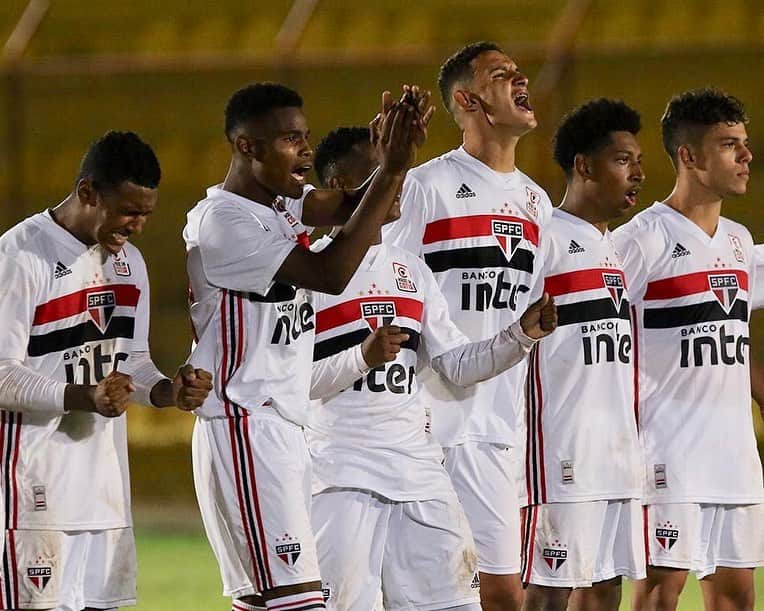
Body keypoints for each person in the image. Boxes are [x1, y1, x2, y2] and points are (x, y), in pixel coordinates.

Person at [184, 83, 430, 611]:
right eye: (291, 139)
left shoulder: (279, 209)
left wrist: (395, 162)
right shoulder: (223, 222)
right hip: (244, 423)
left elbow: (359, 206)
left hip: (282, 425)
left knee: (270, 602)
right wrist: (387, 171)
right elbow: (330, 271)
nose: (306, 151)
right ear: (247, 147)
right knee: (300, 602)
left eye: (308, 138)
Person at [306, 126, 556, 611]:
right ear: (339, 185)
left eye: (397, 172)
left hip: (417, 469)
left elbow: (457, 365)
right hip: (341, 471)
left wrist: (520, 335)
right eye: (382, 174)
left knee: (455, 603)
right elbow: (294, 384)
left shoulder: (410, 270)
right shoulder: (308, 272)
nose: (397, 184)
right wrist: (362, 357)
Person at [0, 130, 212, 611]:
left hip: (105, 493)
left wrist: (164, 391)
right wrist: (84, 396)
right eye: (128, 211)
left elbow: (130, 359)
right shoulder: (20, 257)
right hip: (36, 493)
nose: (136, 225)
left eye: (145, 214)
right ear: (87, 192)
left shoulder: (129, 264)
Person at [382, 41, 553, 611]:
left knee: (505, 591)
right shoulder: (427, 187)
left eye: (518, 70)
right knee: (440, 594)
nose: (519, 78)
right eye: (501, 74)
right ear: (467, 99)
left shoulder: (535, 202)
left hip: (501, 422)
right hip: (434, 423)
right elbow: (390, 289)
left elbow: (533, 316)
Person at [614, 89, 763, 611]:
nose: (746, 156)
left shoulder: (740, 243)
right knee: (659, 594)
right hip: (666, 452)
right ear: (689, 156)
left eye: (744, 144)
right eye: (729, 145)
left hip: (735, 455)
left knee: (737, 598)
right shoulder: (641, 240)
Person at [519, 99, 645, 611]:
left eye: (638, 160)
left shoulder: (616, 246)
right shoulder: (543, 239)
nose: (637, 172)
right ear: (584, 165)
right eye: (622, 160)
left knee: (605, 588)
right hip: (562, 449)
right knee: (550, 591)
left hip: (617, 447)